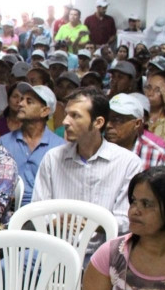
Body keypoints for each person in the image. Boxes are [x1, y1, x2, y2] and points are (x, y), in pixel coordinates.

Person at [32, 88, 143, 233]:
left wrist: (92, 225)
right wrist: (55, 221)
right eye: (66, 114)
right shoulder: (53, 158)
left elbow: (125, 219)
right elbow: (37, 209)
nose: (65, 121)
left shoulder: (128, 162)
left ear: (98, 122)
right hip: (56, 247)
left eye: (75, 116)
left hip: (103, 250)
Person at [0, 83, 65, 206]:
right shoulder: (3, 143)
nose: (21, 103)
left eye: (29, 101)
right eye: (22, 99)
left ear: (44, 111)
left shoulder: (59, 147)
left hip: (46, 212)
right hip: (9, 209)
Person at [104, 93, 165, 170]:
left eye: (117, 120)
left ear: (137, 123)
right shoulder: (95, 150)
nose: (108, 125)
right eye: (106, 119)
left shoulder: (157, 155)